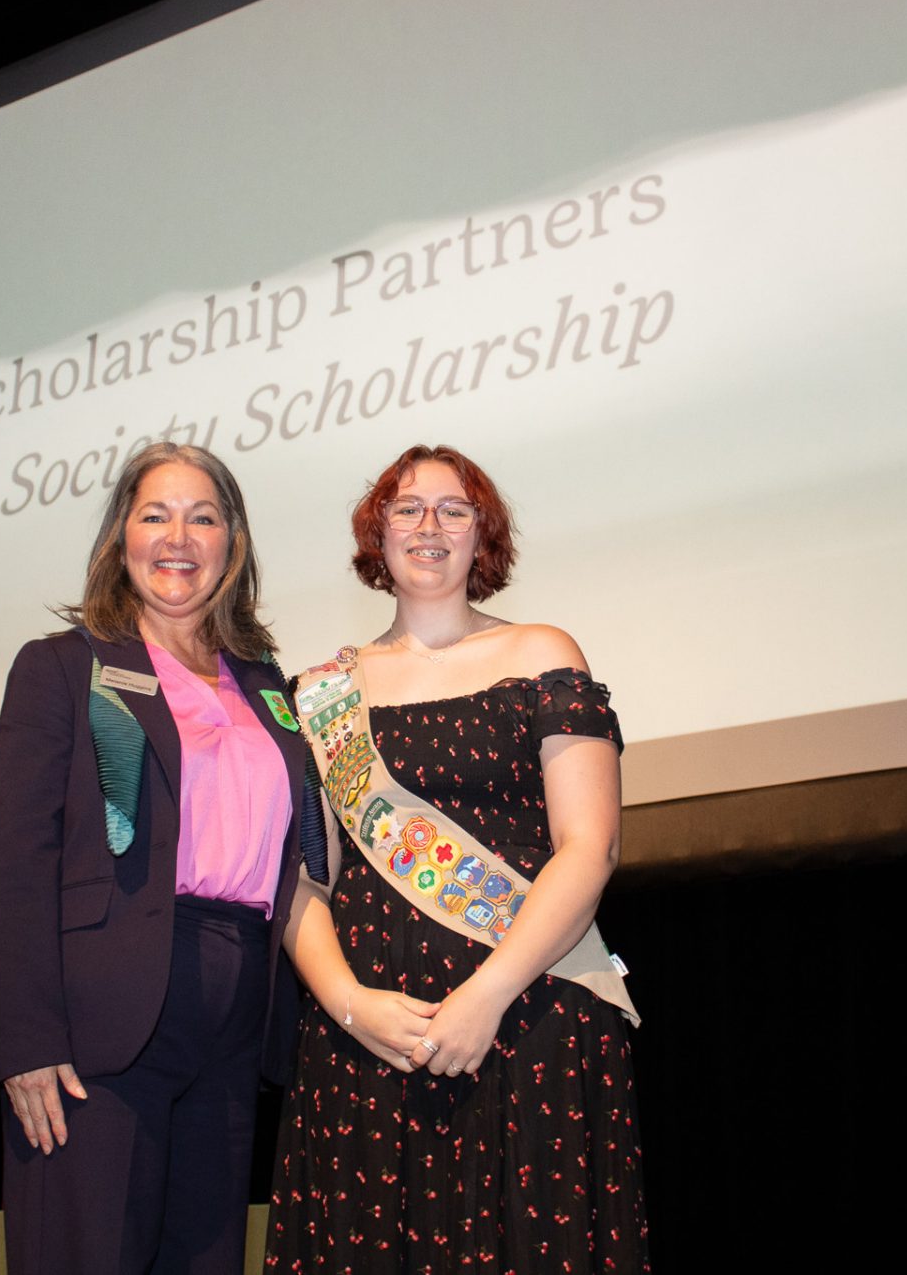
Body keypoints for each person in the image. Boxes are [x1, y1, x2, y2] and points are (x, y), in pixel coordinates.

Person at [266, 444, 649, 1272]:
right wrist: (349, 1005)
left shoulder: (544, 651)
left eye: (454, 509)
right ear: (378, 534)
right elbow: (302, 880)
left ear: (485, 537)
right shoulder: (320, 691)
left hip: (530, 1017)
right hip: (371, 1040)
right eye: (406, 507)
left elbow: (593, 844)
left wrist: (485, 995)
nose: (428, 525)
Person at [0, 441, 319, 1275]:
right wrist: (26, 1038)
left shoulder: (269, 685)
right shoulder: (63, 666)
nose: (179, 536)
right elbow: (18, 864)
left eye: (203, 517)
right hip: (99, 1025)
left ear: (232, 544)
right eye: (154, 514)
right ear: (120, 537)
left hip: (233, 1020)